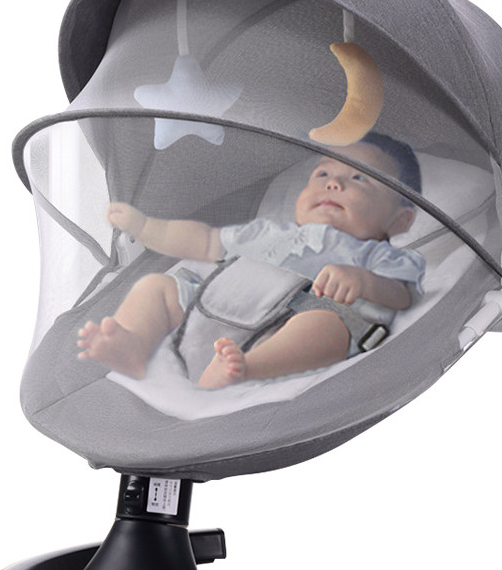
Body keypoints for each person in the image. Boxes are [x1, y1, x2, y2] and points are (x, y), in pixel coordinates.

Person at [77, 133, 425, 388]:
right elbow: (205, 241)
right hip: (212, 305)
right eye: (322, 174)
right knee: (156, 286)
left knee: (326, 328)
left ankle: (248, 367)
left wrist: (363, 281)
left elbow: (403, 295)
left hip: (288, 326)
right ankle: (133, 343)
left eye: (359, 178)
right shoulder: (268, 232)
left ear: (399, 221)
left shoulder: (377, 254)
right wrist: (146, 227)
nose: (333, 183)